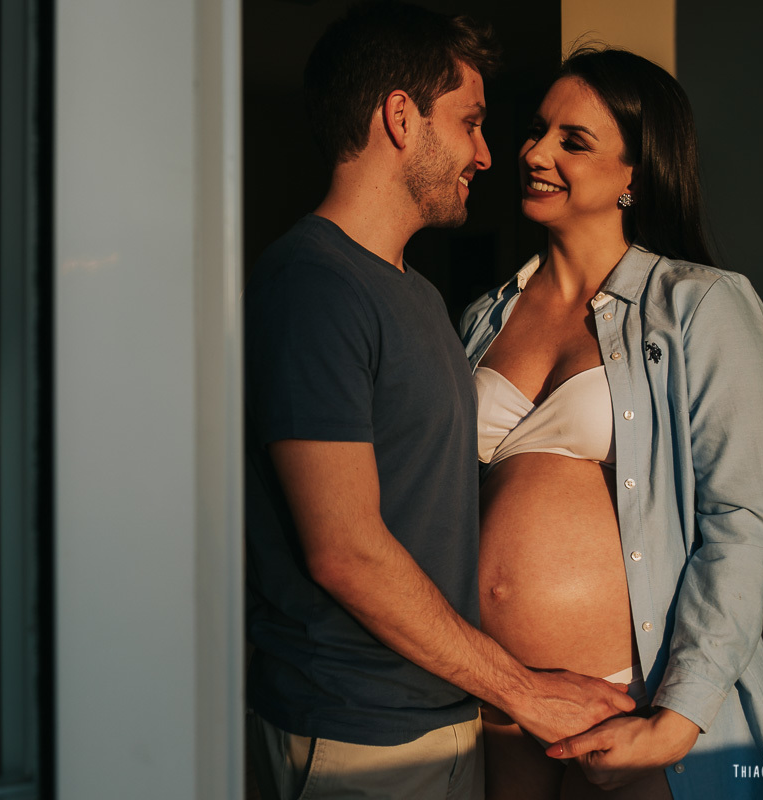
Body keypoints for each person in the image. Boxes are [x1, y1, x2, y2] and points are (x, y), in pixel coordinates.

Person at [244, 6, 635, 799]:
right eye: (470, 123)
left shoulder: (421, 296)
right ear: (399, 117)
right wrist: (524, 690)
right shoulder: (314, 288)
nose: (489, 155)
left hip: (447, 713)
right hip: (360, 731)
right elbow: (345, 550)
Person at [460, 47, 763, 799]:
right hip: (493, 711)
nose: (534, 152)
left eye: (572, 141)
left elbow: (750, 520)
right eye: (538, 130)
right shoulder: (483, 319)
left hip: (629, 707)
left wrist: (675, 719)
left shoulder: (700, 306)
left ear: (634, 175)